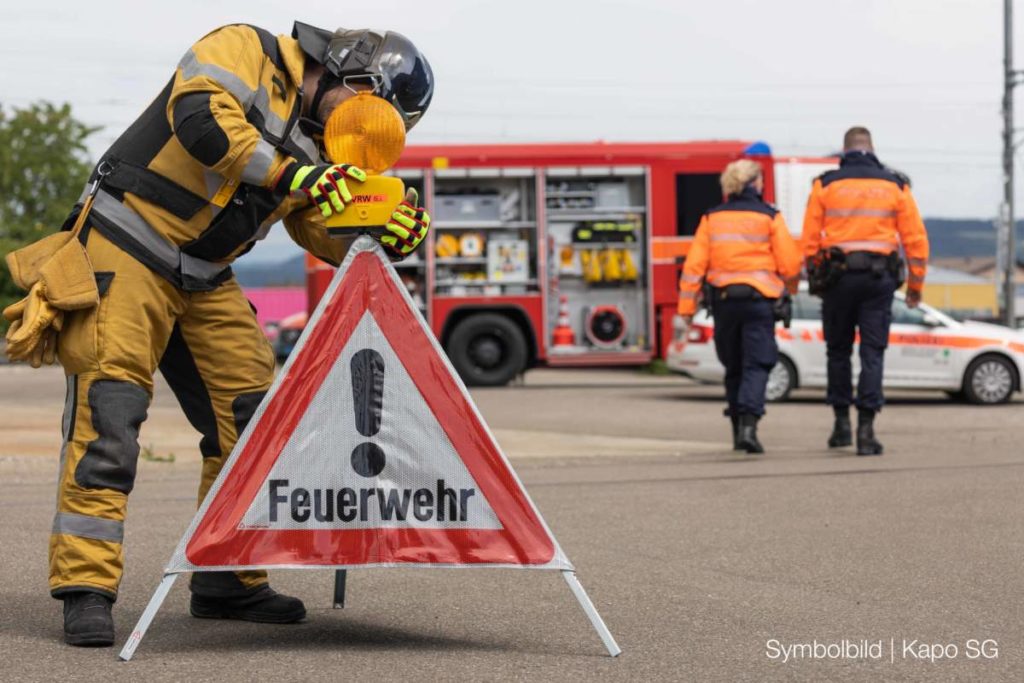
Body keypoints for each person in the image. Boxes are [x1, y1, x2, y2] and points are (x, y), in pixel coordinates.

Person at [5, 21, 433, 647]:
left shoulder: (321, 144)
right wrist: (292, 176)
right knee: (111, 413)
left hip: (204, 274)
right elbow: (201, 118)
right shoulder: (247, 50)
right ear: (353, 73)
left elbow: (317, 227)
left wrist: (378, 233)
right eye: (368, 112)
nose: (361, 132)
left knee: (259, 421)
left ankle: (226, 576)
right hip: (127, 245)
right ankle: (86, 588)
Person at [801, 126, 928, 455]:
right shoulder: (895, 185)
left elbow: (810, 239)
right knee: (872, 353)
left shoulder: (825, 184)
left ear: (845, 150)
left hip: (838, 279)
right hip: (877, 280)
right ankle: (867, 431)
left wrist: (816, 275)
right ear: (872, 148)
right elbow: (916, 242)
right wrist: (915, 287)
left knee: (838, 351)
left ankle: (841, 425)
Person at [678, 160, 802, 453]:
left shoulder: (712, 218)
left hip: (723, 303)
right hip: (759, 302)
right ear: (754, 183)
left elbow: (694, 266)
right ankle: (749, 426)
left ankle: (737, 430)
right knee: (756, 363)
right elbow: (790, 262)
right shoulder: (769, 216)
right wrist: (791, 289)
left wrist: (686, 308)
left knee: (733, 365)